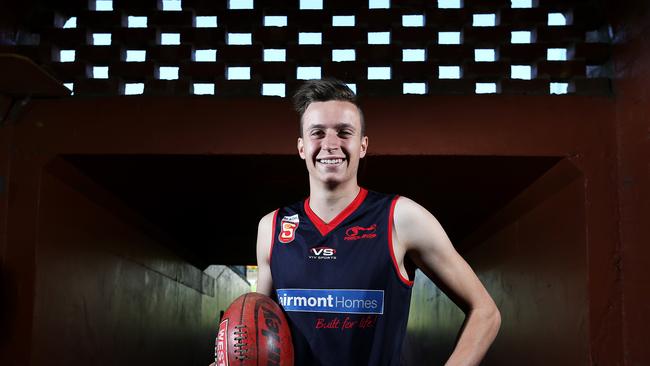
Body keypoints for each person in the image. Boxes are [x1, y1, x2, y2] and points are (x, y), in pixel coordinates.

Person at [255, 78, 500, 365]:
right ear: (301, 147)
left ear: (362, 145)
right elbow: (258, 329)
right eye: (317, 133)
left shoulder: (401, 218)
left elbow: (486, 312)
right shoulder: (272, 227)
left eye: (344, 132)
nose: (331, 144)